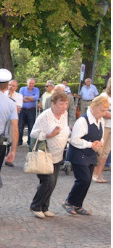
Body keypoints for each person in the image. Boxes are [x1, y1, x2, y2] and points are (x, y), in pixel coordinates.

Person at [63, 94, 109, 215]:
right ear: (93, 107)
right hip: (78, 153)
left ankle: (78, 205)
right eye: (102, 110)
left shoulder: (101, 120)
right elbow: (74, 140)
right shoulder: (83, 120)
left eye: (105, 111)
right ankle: (69, 202)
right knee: (82, 179)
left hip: (90, 154)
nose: (104, 113)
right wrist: (90, 145)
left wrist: (100, 142)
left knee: (87, 180)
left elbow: (101, 137)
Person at [28, 90, 71, 218]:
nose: (64, 107)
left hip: (58, 154)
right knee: (47, 181)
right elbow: (33, 134)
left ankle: (44, 206)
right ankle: (35, 206)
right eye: (61, 104)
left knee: (53, 182)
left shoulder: (64, 114)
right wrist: (50, 135)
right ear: (53, 103)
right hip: (45, 154)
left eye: (66, 104)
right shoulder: (45, 116)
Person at [92, 79, 111, 183]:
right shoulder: (104, 96)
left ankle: (100, 174)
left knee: (106, 152)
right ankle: (94, 174)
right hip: (104, 126)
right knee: (100, 150)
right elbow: (102, 111)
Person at [18, 78, 40, 146]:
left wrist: (26, 97)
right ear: (27, 83)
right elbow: (21, 98)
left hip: (32, 110)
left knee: (31, 127)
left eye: (32, 83)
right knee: (20, 126)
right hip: (22, 110)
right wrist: (31, 98)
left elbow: (36, 98)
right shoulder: (22, 89)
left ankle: (29, 142)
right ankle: (19, 142)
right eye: (30, 83)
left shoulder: (36, 89)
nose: (31, 85)